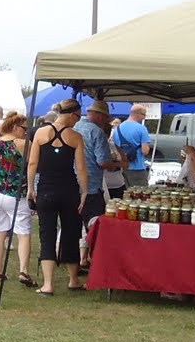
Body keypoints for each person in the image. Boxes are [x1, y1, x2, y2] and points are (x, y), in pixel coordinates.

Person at [27, 98, 89, 295]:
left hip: (45, 188)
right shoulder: (76, 137)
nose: (77, 121)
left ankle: (48, 284)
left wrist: (30, 188)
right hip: (69, 190)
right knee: (71, 232)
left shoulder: (40, 133)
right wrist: (85, 191)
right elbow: (80, 168)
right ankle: (73, 280)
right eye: (77, 117)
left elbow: (32, 164)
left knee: (47, 234)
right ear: (71, 115)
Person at [0, 111, 35, 287]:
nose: (26, 131)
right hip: (17, 193)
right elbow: (33, 164)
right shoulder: (24, 144)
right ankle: (23, 270)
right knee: (23, 232)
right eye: (24, 128)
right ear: (15, 127)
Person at [74, 101, 122, 271]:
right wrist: (116, 165)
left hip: (72, 184)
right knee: (94, 226)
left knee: (72, 226)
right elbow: (102, 161)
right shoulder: (97, 132)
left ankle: (74, 261)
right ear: (100, 116)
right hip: (91, 186)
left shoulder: (74, 127)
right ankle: (97, 261)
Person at [112, 105, 151, 189]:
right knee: (140, 195)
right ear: (137, 114)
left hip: (123, 168)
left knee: (127, 195)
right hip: (138, 168)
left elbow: (115, 149)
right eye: (144, 115)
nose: (144, 117)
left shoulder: (117, 129)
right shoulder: (141, 128)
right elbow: (145, 151)